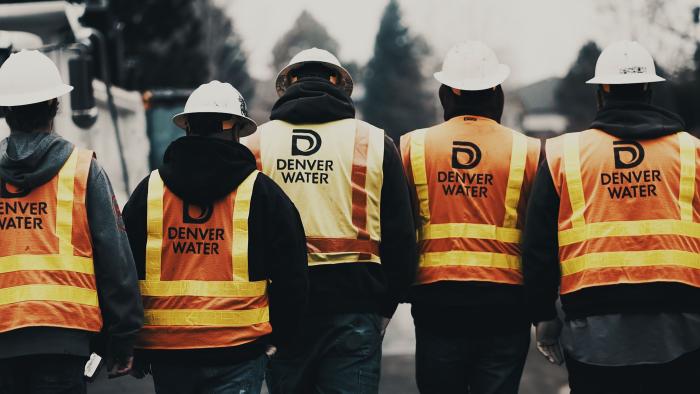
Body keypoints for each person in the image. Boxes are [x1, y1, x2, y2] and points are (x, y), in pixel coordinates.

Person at [523, 40, 700, 394]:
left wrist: (544, 316)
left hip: (593, 326)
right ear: (649, 89)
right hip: (682, 321)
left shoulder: (563, 154)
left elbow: (539, 244)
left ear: (601, 92)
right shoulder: (692, 152)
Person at [243, 48, 417, 394]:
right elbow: (400, 232)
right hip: (356, 306)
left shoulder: (253, 144)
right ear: (338, 83)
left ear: (288, 83)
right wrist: (387, 304)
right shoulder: (374, 143)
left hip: (278, 308)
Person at [122, 80, 308, 394]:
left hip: (169, 352)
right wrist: (278, 338)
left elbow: (121, 270)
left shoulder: (151, 189)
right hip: (240, 350)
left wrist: (132, 343)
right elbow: (293, 275)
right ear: (235, 130)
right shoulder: (261, 192)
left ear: (188, 128)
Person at [400, 42, 541, 394]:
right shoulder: (530, 151)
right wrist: (545, 308)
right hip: (507, 305)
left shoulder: (412, 147)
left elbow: (397, 228)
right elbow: (541, 238)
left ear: (446, 93)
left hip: (437, 303)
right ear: (497, 93)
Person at [0, 50, 142, 393]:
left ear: (5, 111)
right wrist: (122, 337)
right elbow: (115, 258)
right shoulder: (82, 170)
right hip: (65, 338)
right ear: (55, 106)